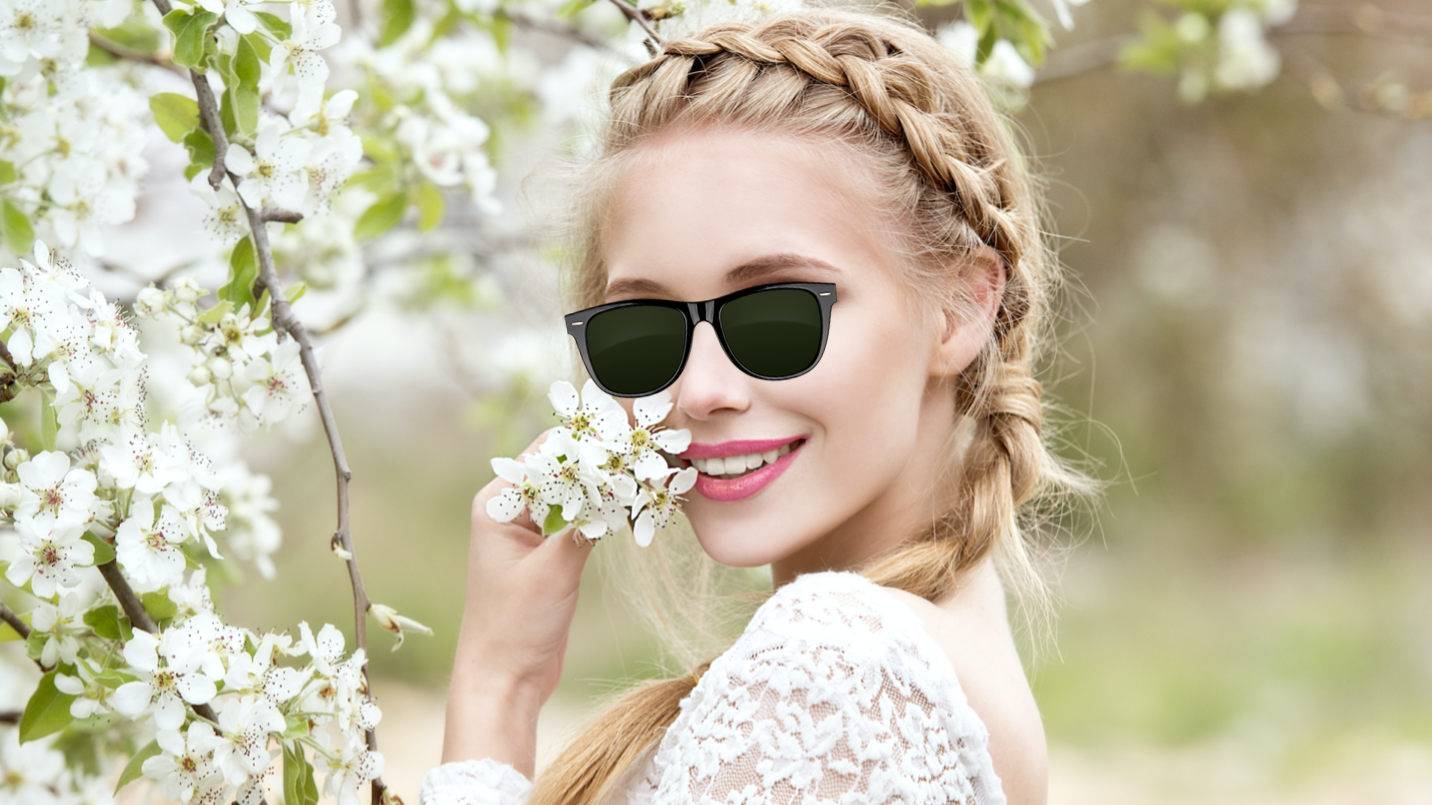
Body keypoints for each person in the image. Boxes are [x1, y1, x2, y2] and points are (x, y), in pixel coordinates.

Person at [422, 4, 1090, 804]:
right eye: (644, 330)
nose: (701, 390)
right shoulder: (924, 656)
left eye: (776, 315)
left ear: (961, 309)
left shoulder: (839, 671)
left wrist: (499, 691)